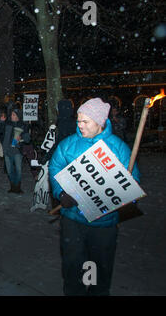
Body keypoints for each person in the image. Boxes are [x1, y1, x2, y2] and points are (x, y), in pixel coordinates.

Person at [49, 98, 141, 296]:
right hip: (73, 220)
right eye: (78, 121)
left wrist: (127, 194)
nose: (79, 125)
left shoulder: (117, 148)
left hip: (103, 224)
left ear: (99, 122)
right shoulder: (68, 145)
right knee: (73, 267)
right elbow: (55, 167)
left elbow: (133, 182)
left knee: (97, 269)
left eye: (85, 122)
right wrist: (60, 192)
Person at [2, 108, 30, 193]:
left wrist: (21, 138)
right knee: (9, 170)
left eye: (14, 115)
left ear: (18, 116)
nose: (11, 116)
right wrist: (1, 122)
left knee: (18, 170)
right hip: (7, 150)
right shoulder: (7, 124)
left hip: (17, 151)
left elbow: (28, 139)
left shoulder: (23, 125)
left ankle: (17, 187)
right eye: (11, 115)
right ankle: (13, 186)